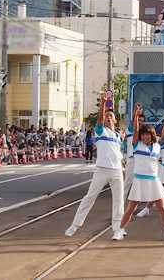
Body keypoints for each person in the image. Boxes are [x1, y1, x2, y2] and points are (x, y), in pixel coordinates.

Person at [113, 103, 164, 241]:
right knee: (131, 208)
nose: (145, 137)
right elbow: (135, 130)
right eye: (143, 135)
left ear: (151, 135)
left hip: (153, 180)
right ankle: (119, 230)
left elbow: (161, 138)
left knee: (162, 208)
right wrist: (136, 114)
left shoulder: (156, 147)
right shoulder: (137, 145)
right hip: (139, 180)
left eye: (147, 135)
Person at [65, 94, 124, 237]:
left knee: (119, 200)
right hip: (102, 169)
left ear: (116, 120)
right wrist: (103, 104)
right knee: (90, 197)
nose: (109, 117)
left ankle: (118, 229)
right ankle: (75, 224)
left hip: (117, 170)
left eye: (111, 116)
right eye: (107, 116)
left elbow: (117, 152)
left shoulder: (117, 136)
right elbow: (99, 120)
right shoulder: (100, 131)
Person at [124, 113, 144, 199]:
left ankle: (148, 201)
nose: (140, 122)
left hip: (141, 159)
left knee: (143, 181)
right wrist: (135, 112)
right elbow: (124, 146)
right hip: (131, 158)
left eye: (142, 121)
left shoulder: (144, 133)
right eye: (138, 120)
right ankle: (122, 201)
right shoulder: (130, 130)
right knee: (128, 182)